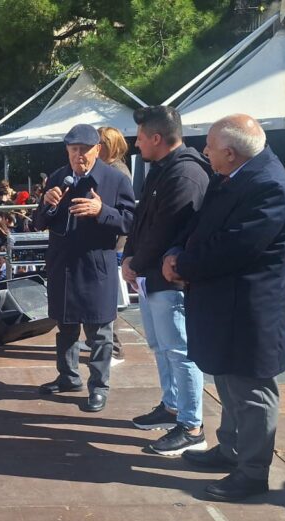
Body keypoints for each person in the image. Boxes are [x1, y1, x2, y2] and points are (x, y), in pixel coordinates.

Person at [162, 113, 285, 501]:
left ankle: (252, 472)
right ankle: (231, 448)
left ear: (231, 152)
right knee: (228, 380)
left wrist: (182, 265)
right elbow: (202, 225)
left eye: (209, 147)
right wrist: (176, 252)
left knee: (251, 390)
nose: (204, 152)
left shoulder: (268, 185)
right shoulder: (238, 176)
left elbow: (236, 246)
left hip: (249, 309)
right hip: (227, 304)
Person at [123, 106, 210, 455]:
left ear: (157, 138)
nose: (136, 143)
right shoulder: (162, 169)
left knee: (180, 352)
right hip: (151, 276)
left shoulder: (185, 173)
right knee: (162, 347)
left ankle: (191, 426)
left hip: (170, 281)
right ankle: (172, 406)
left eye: (141, 137)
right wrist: (130, 258)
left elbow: (165, 230)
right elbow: (142, 220)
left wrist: (135, 262)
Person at [33, 123, 136, 412]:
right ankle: (68, 377)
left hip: (95, 266)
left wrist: (102, 211)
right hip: (62, 264)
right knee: (65, 327)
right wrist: (46, 204)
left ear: (97, 150)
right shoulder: (58, 177)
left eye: (84, 150)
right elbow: (39, 223)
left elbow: (130, 222)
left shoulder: (115, 179)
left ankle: (99, 387)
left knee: (99, 333)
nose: (78, 156)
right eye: (73, 150)